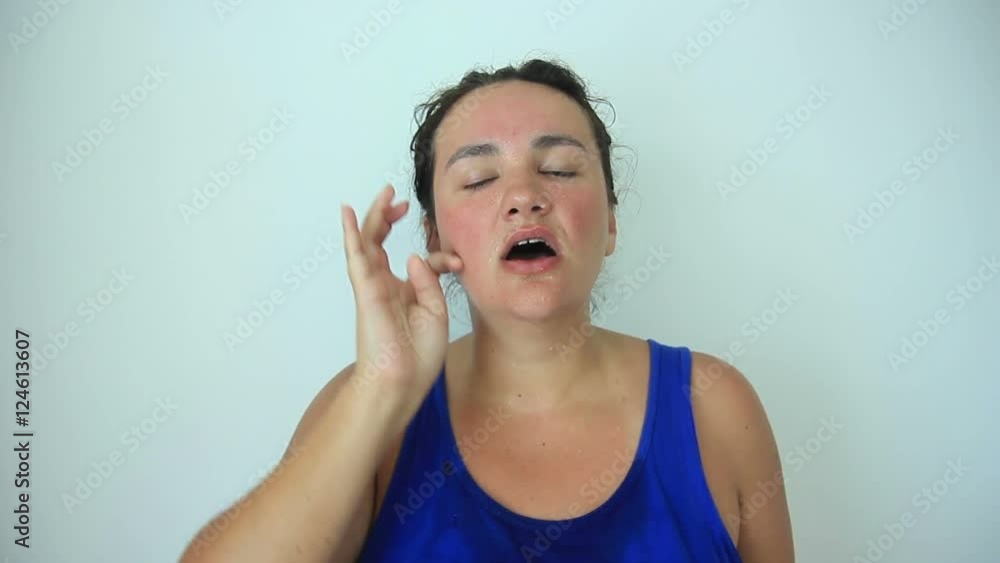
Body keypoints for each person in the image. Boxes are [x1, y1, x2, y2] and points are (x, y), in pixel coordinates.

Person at [179, 57, 794, 563]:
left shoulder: (714, 405)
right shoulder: (370, 411)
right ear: (435, 237)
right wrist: (380, 388)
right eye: (478, 179)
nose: (525, 196)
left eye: (559, 169)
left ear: (610, 221)